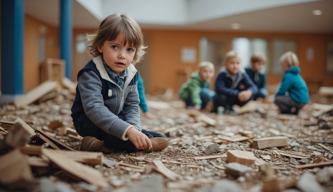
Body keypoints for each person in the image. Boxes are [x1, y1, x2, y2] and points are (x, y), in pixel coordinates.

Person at [71, 14, 168, 153]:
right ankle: (97, 144)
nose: (122, 55)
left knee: (158, 136)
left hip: (115, 117)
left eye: (129, 49)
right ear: (100, 46)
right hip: (89, 121)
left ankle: (113, 142)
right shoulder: (91, 73)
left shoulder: (131, 73)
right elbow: (94, 108)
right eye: (115, 47)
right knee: (121, 138)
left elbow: (132, 105)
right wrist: (128, 130)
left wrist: (135, 129)